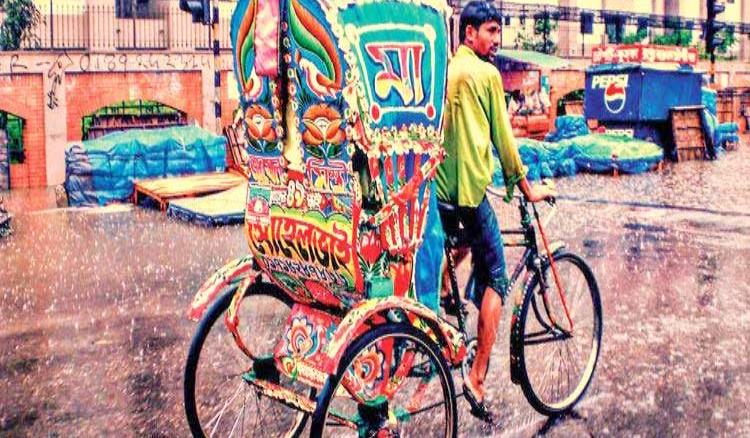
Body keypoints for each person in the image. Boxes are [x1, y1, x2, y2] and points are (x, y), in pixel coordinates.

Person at [435, 0, 555, 423]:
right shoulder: (485, 75)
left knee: (467, 244)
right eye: (490, 31)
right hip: (469, 193)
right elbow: (505, 142)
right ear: (469, 34)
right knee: (499, 278)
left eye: (497, 32)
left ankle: (449, 297)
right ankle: (478, 377)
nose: (496, 39)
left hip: (440, 191)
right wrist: (525, 187)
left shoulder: (446, 69)